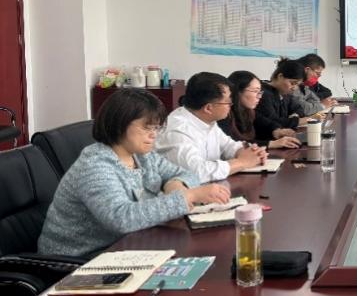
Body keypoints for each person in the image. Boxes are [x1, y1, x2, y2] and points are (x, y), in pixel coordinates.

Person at [38, 89, 230, 258]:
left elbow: (185, 174)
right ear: (119, 124)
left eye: (156, 128)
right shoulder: (95, 165)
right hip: (79, 260)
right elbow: (121, 218)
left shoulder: (142, 155)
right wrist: (188, 196)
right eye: (147, 128)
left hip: (126, 245)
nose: (154, 135)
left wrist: (176, 184)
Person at [155, 72, 267, 182]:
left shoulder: (206, 120)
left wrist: (250, 152)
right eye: (228, 102)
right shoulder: (178, 130)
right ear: (208, 108)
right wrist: (242, 162)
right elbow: (195, 173)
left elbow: (228, 146)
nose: (231, 105)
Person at [220, 70, 302, 149]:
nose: (259, 96)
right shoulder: (223, 115)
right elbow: (234, 144)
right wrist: (272, 144)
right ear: (238, 91)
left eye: (260, 92)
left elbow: (266, 123)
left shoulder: (249, 112)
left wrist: (277, 131)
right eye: (255, 91)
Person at [258, 58, 321, 134]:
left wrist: (295, 115)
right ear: (280, 76)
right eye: (292, 83)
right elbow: (273, 122)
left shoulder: (285, 94)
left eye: (297, 85)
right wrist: (302, 120)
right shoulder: (263, 94)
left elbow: (299, 109)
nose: (295, 88)